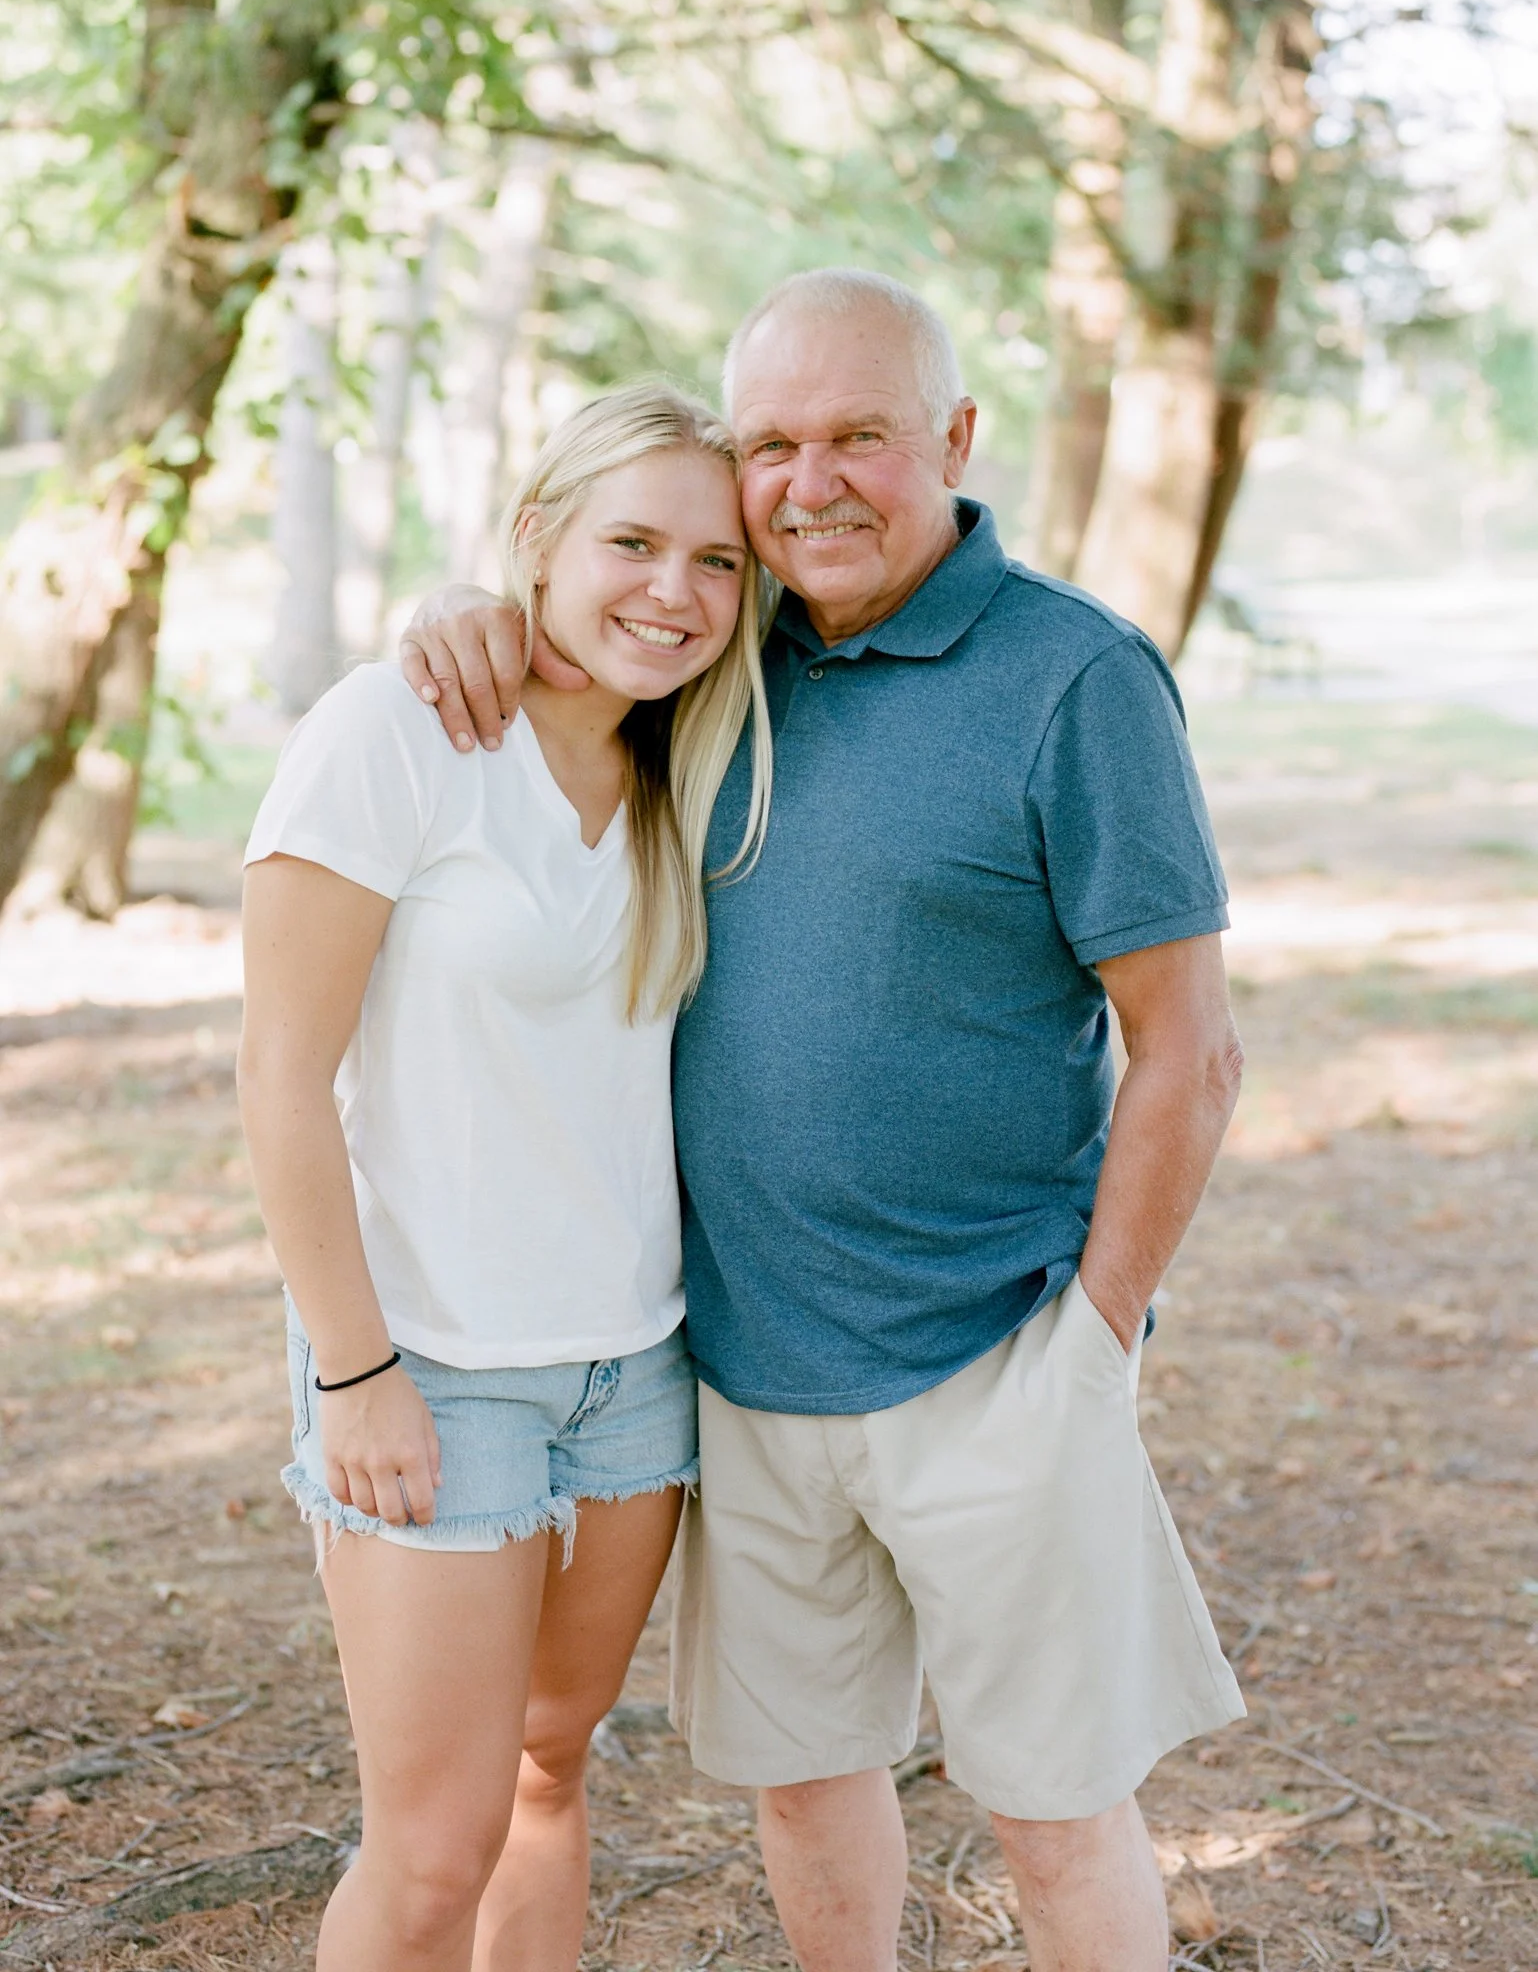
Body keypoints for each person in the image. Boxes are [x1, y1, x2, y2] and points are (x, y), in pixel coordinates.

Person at [400, 269, 1247, 1972]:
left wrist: (1088, 1345)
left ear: (952, 435)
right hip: (746, 1374)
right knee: (802, 1786)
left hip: (997, 1356)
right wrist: (452, 606)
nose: (810, 482)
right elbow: (568, 623)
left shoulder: (1074, 679)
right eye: (770, 444)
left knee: (1054, 1814)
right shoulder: (714, 657)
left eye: (859, 435)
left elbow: (1188, 1051)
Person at [238, 381, 773, 1972]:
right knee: (428, 1855)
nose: (672, 592)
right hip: (435, 1365)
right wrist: (358, 1371)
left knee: (550, 1775)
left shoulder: (698, 762)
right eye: (628, 541)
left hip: (638, 1366)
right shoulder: (393, 733)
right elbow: (278, 1076)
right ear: (536, 537)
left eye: (717, 561)